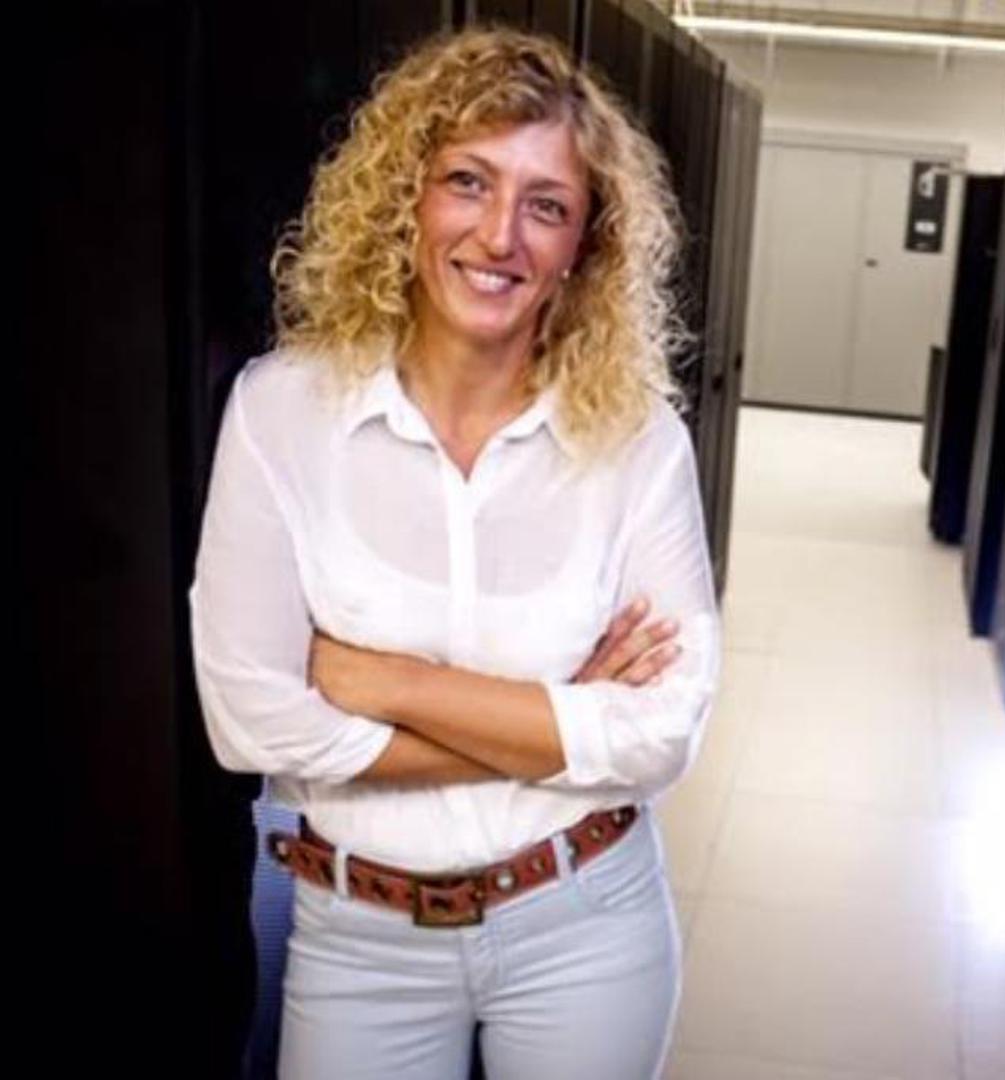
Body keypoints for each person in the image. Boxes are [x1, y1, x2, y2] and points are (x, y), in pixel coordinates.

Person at [188, 26, 719, 1078]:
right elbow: (248, 722)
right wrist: (562, 717)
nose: (499, 234)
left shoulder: (637, 440)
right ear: (408, 200)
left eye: (547, 205)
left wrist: (386, 683)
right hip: (356, 941)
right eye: (467, 182)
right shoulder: (281, 411)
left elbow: (662, 732)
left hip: (587, 923)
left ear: (584, 246)